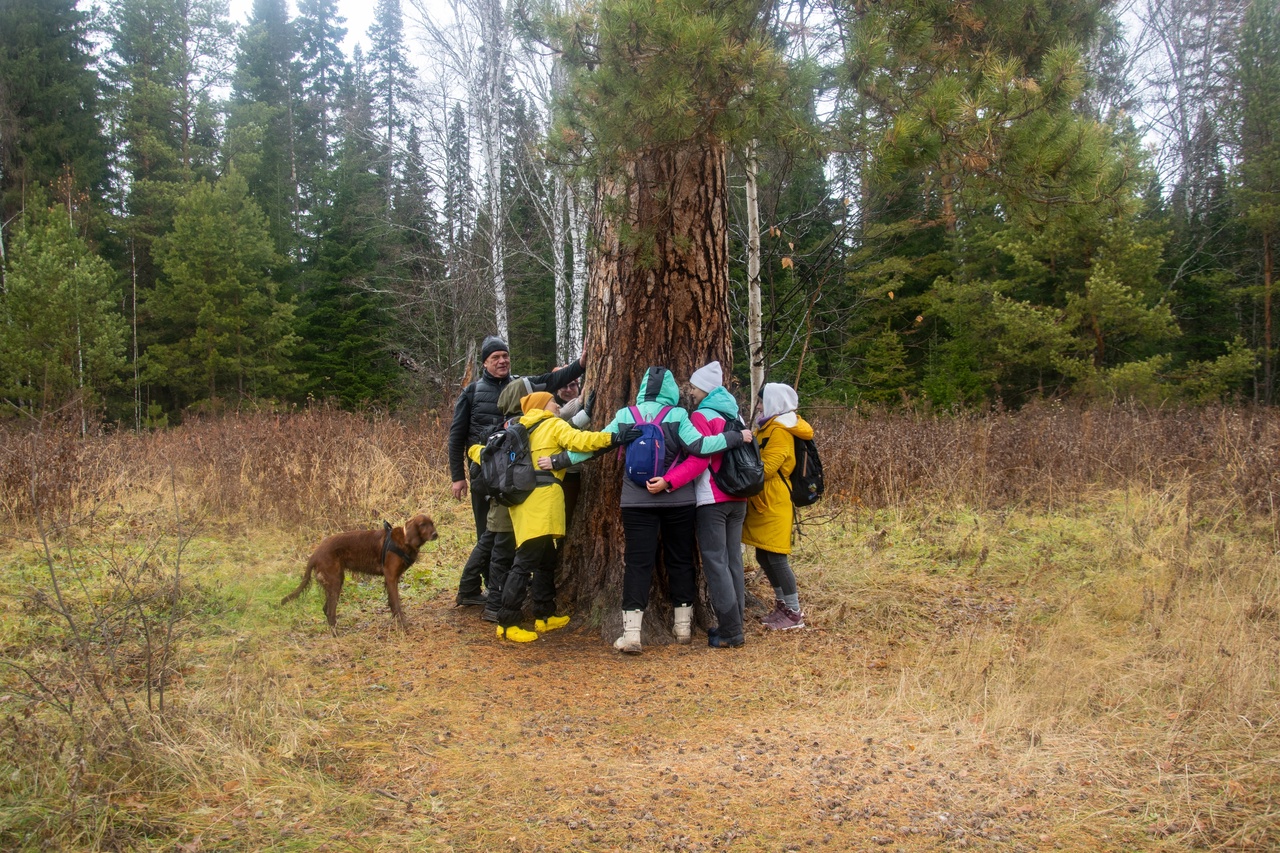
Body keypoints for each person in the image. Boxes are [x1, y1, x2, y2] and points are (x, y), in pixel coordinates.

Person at [595, 366, 750, 654]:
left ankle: (631, 633)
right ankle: (683, 627)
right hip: (679, 499)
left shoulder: (625, 415)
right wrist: (736, 437)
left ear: (643, 388)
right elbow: (701, 447)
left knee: (638, 564)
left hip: (636, 500)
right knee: (680, 559)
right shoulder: (679, 415)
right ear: (669, 391)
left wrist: (559, 459)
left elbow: (597, 443)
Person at [470, 391, 635, 642]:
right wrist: (616, 437)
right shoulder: (551, 424)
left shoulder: (522, 428)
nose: (558, 405)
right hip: (543, 503)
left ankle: (544, 614)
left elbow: (481, 452)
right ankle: (507, 622)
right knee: (524, 562)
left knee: (546, 560)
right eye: (553, 401)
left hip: (523, 502)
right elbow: (582, 441)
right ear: (541, 406)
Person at [448, 336, 584, 606]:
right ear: (485, 362)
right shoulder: (472, 392)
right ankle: (486, 590)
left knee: (501, 533)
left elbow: (552, 380)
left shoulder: (521, 384)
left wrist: (580, 364)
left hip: (515, 472)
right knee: (490, 532)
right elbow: (456, 436)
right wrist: (457, 477)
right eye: (495, 357)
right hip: (485, 472)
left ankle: (493, 588)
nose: (502, 361)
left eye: (505, 356)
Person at [645, 361, 751, 648]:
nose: (689, 392)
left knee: (716, 564)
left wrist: (670, 480)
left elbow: (699, 457)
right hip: (738, 497)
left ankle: (731, 631)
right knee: (733, 562)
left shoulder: (702, 416)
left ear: (704, 389)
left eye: (692, 387)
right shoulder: (736, 416)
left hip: (712, 499)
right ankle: (736, 622)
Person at [741, 382, 814, 630]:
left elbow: (771, 467)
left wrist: (744, 468)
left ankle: (793, 613)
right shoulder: (769, 426)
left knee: (776, 556)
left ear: (773, 403)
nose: (758, 405)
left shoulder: (781, 429)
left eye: (761, 401)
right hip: (766, 499)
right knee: (764, 553)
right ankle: (782, 606)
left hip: (775, 499)